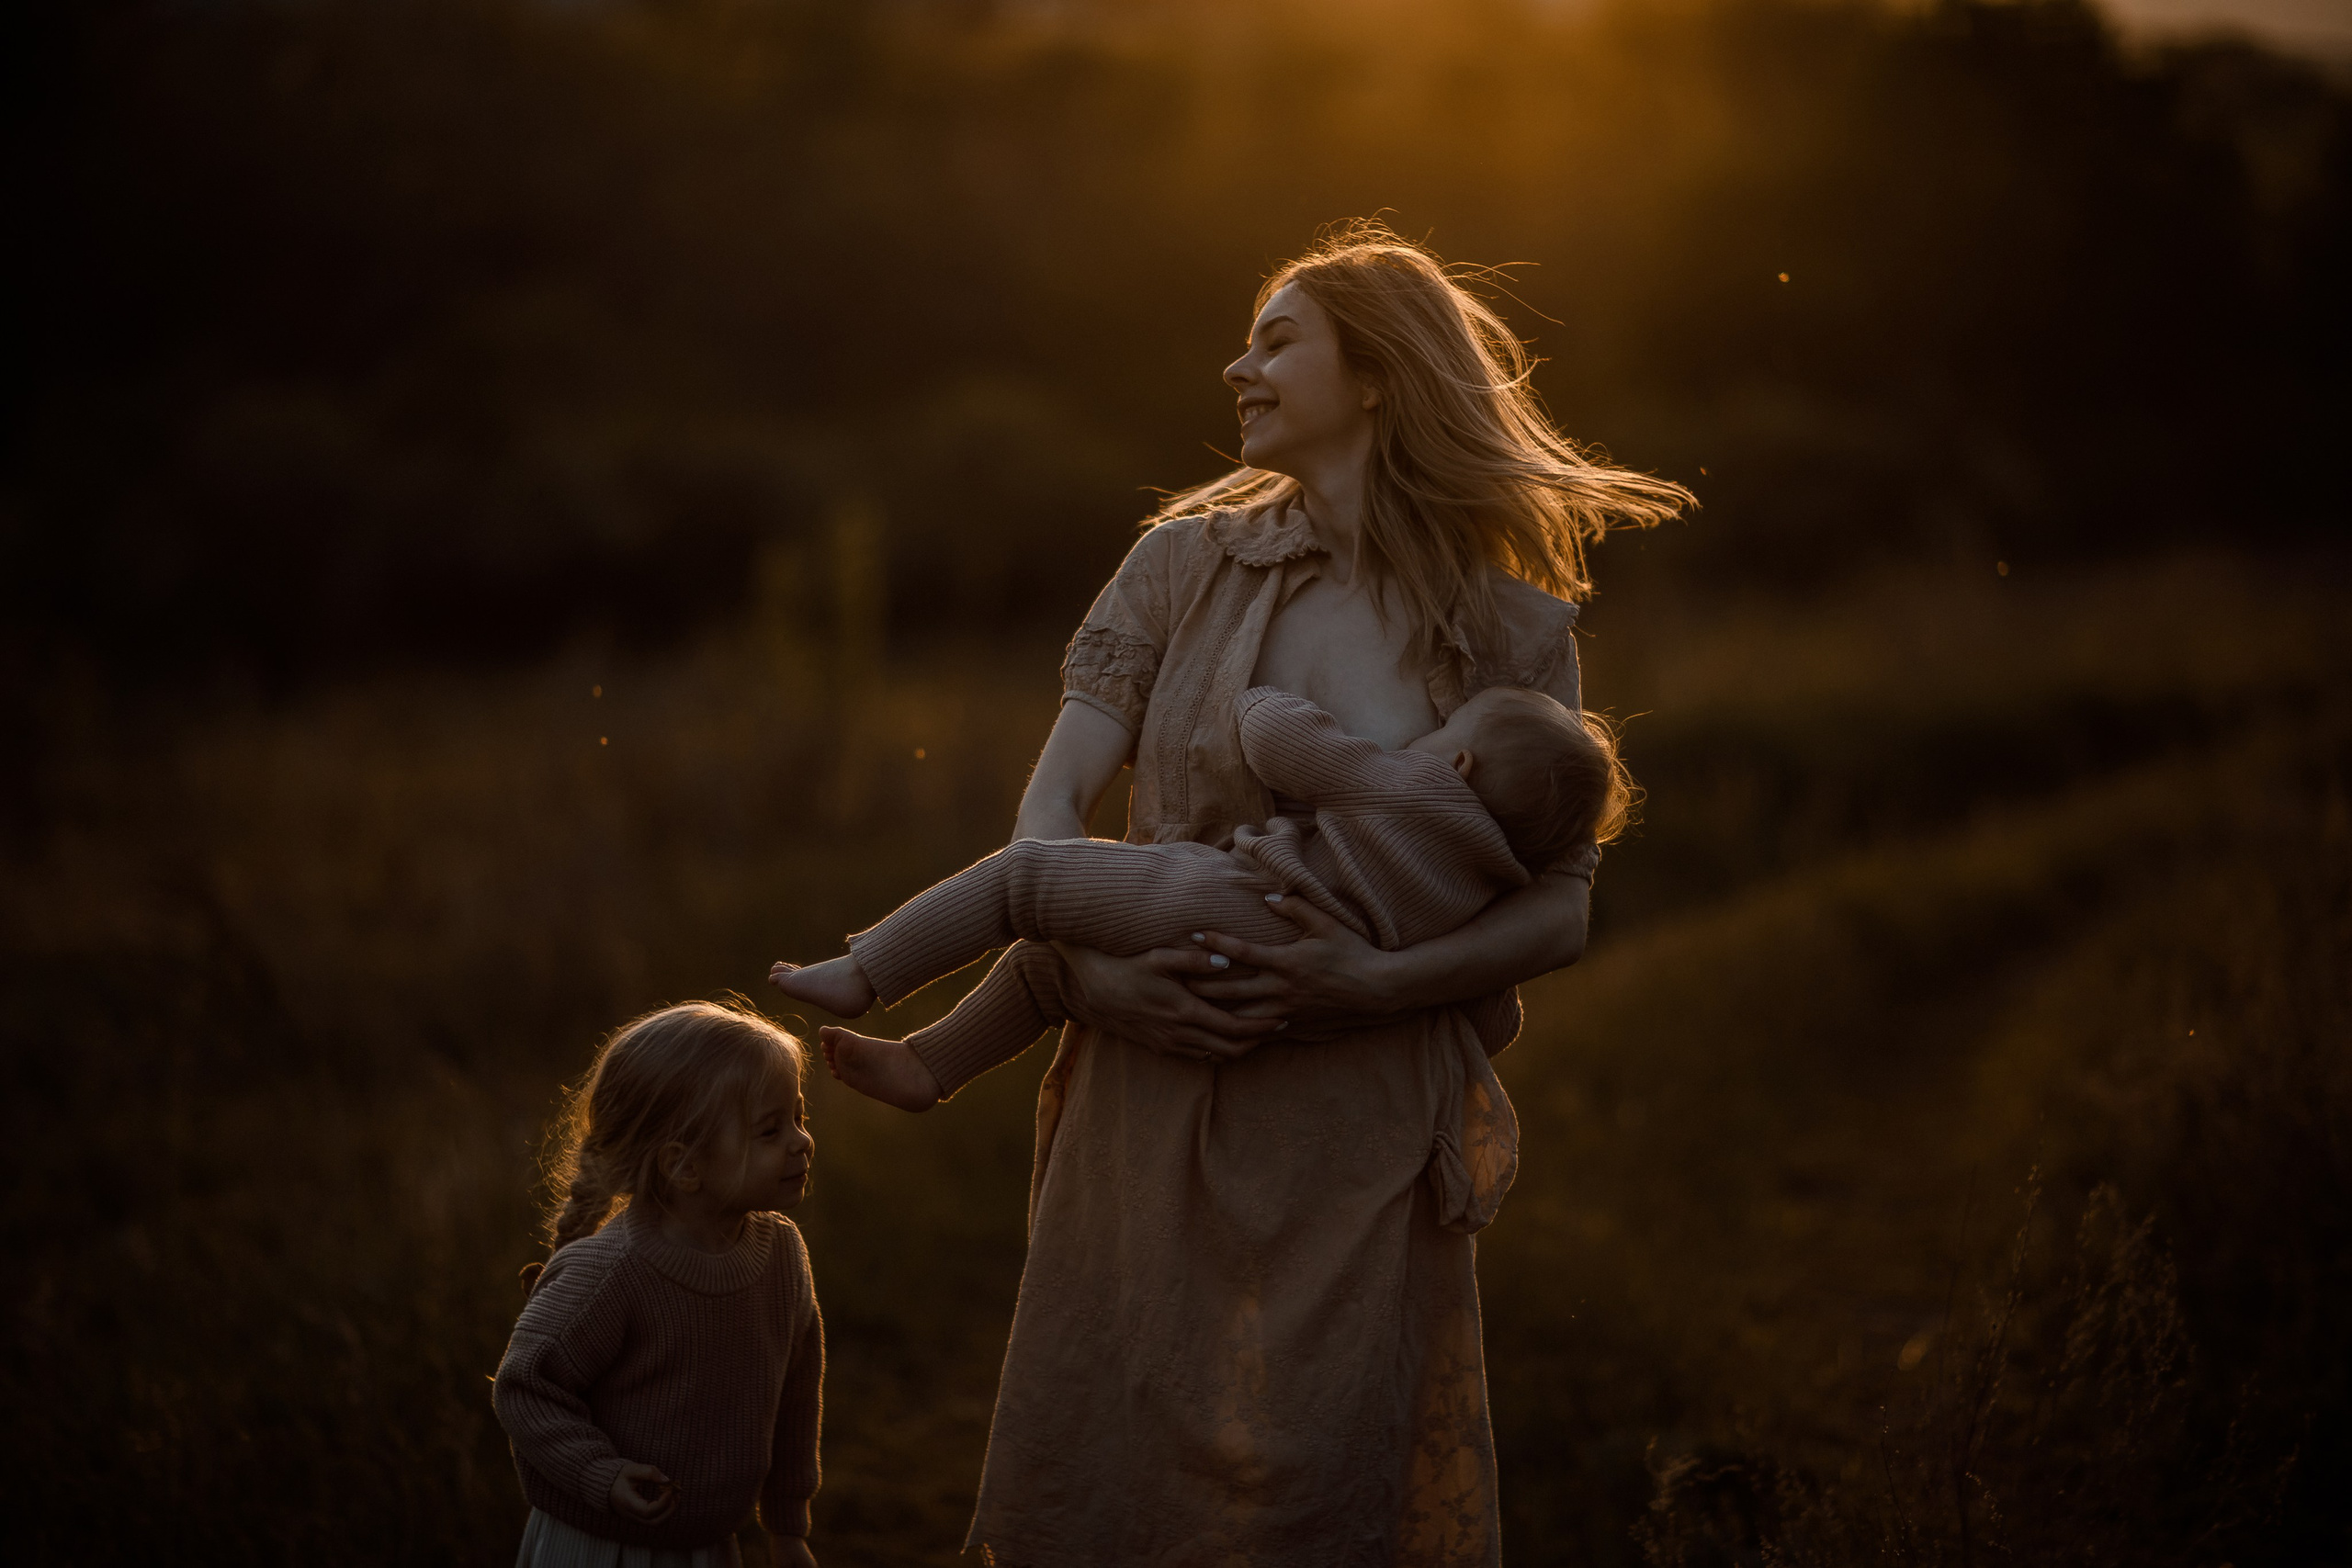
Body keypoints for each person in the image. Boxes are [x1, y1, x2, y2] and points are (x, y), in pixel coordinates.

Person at [910, 220, 1688, 1566]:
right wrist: (1103, 978)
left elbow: (1558, 909)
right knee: (1109, 1467)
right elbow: (1049, 819)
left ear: (1376, 375)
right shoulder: (1177, 563)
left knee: (1318, 1489)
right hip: (1146, 1086)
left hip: (1359, 1118)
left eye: (1277, 339)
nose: (1237, 366)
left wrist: (1369, 982)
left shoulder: (1508, 627)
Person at [768, 684, 1634, 1131]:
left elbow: (1278, 739)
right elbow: (1493, 1019)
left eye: (1444, 731)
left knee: (1027, 879)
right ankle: (929, 1065)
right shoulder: (1495, 889)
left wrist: (1264, 697)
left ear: (1461, 767)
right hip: (1288, 1011)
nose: (1425, 740)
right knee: (1047, 971)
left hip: (1228, 901)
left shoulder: (1415, 787)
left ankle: (867, 967)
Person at [492, 1000, 825, 1568]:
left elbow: (796, 1394)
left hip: (709, 1549)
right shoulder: (610, 1273)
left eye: (799, 1118)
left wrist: (788, 1528)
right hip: (598, 1548)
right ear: (684, 1166)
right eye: (770, 1129)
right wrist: (599, 1472)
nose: (800, 1142)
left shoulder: (782, 1256)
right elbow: (525, 1388)